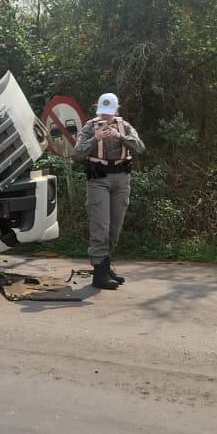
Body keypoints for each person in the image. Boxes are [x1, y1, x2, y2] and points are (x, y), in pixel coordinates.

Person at [72, 93, 145, 290]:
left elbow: (139, 147)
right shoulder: (90, 127)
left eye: (109, 114)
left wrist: (120, 137)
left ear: (116, 110)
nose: (105, 118)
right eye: (102, 114)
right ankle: (99, 273)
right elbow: (77, 153)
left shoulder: (125, 127)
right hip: (99, 180)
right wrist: (95, 139)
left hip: (121, 180)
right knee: (100, 226)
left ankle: (106, 265)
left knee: (114, 228)